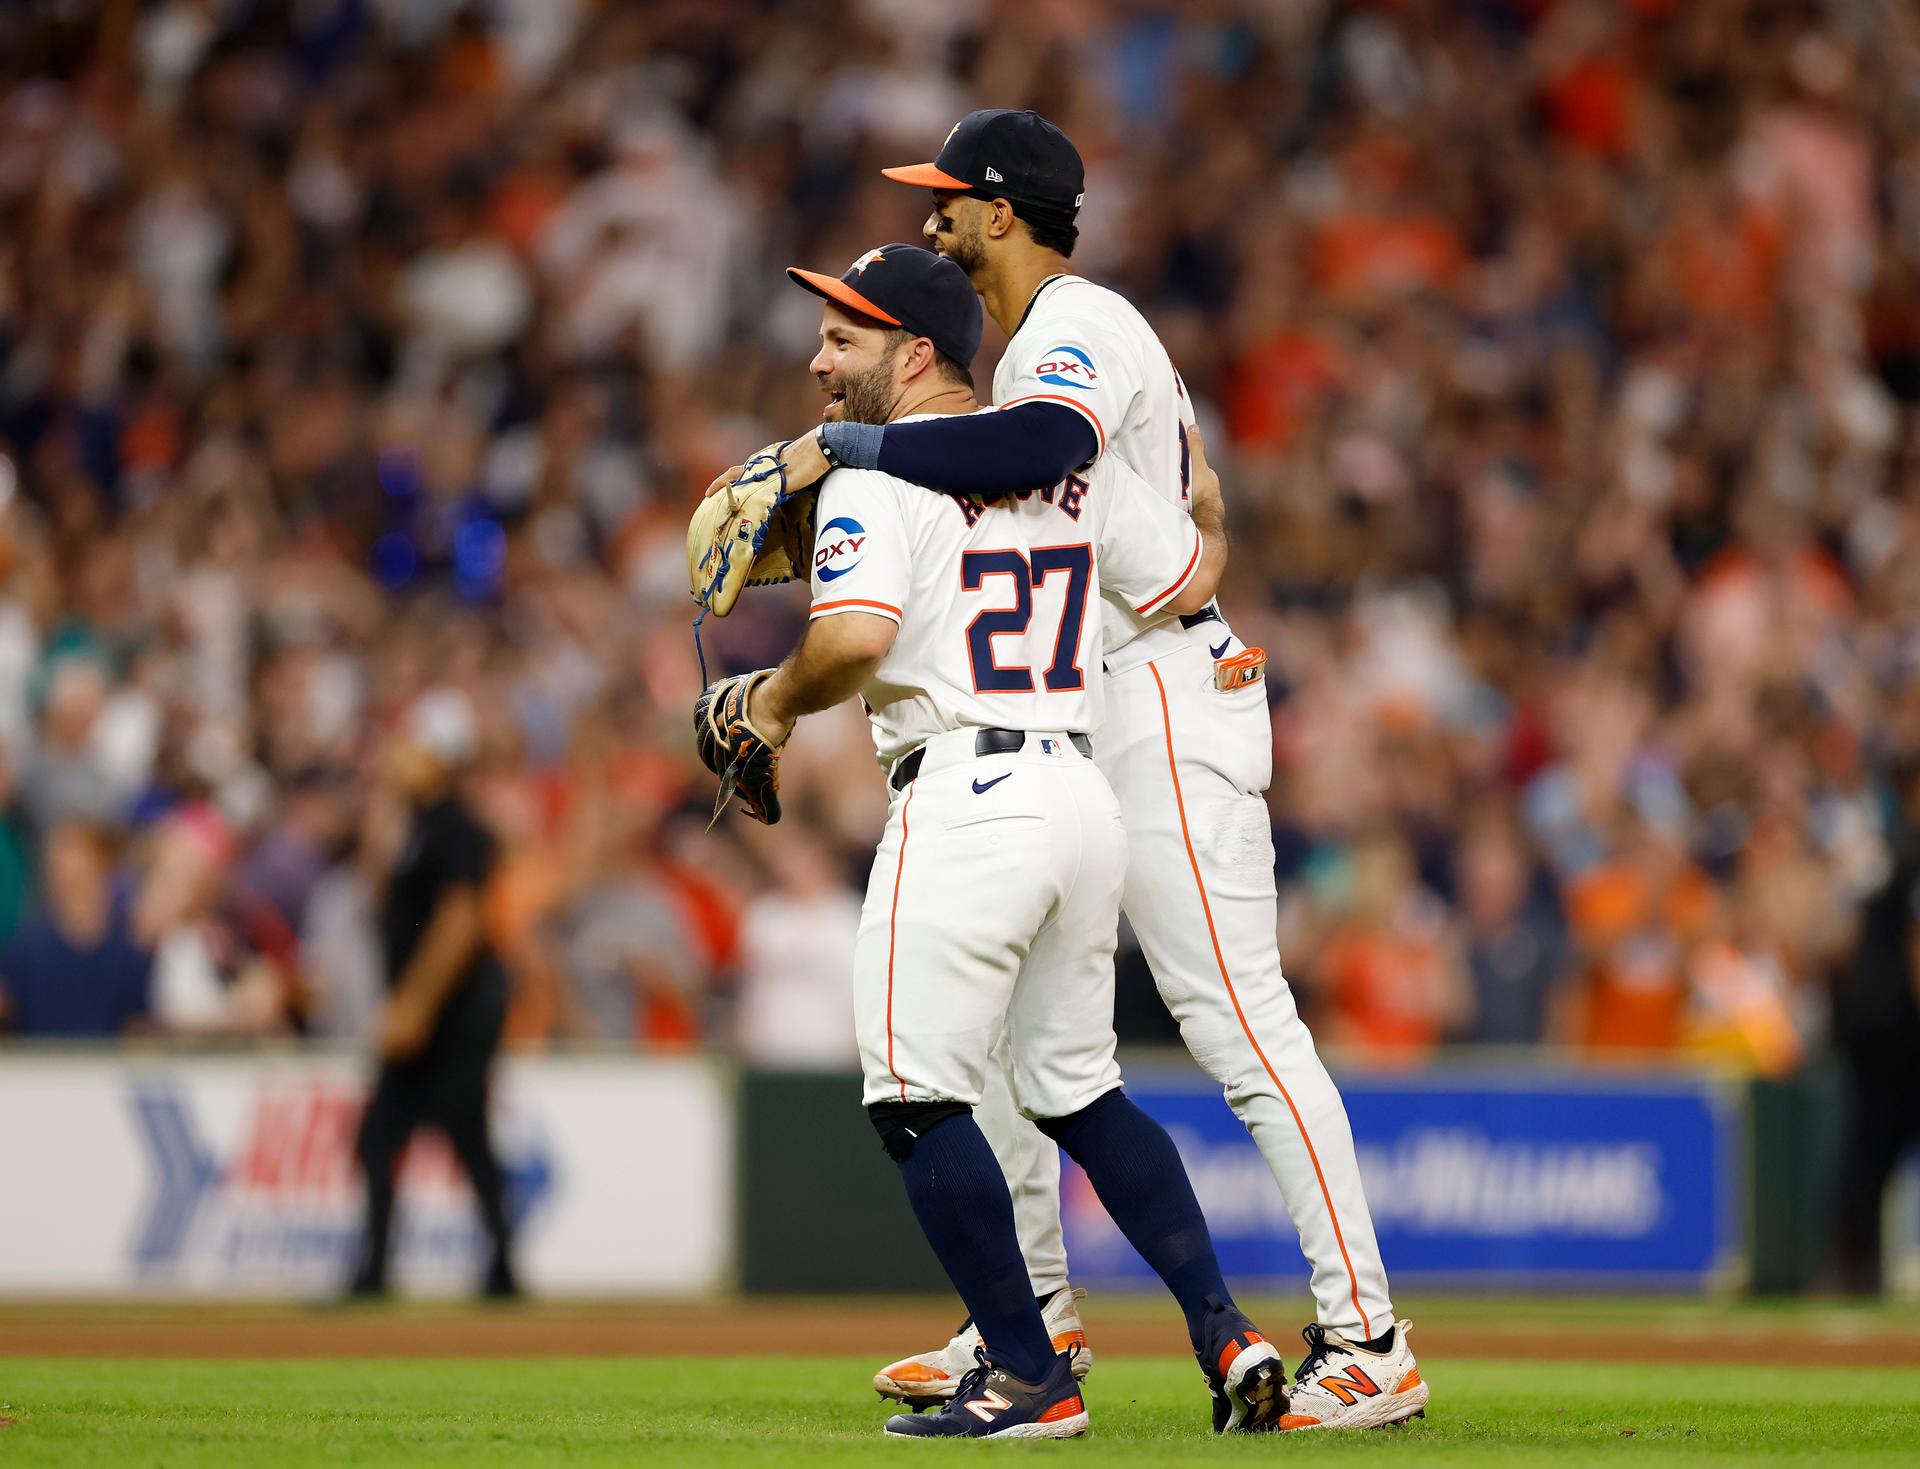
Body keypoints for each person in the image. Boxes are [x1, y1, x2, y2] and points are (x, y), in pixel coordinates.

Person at [707, 109, 1421, 1430]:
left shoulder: (1070, 327)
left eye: (947, 199)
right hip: (1086, 701)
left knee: (1236, 1021)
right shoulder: (1030, 356)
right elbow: (1127, 507)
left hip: (1157, 692)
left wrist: (843, 451)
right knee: (1026, 1047)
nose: (932, 216)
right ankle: (1028, 1326)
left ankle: (1369, 1332)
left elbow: (1050, 455)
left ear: (1001, 210)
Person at [347, 688, 518, 1300]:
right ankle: (380, 1272)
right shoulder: (417, 827)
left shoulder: (455, 828)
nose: (398, 756)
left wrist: (414, 1004)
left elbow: (460, 921)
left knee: (448, 1133)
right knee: (394, 1137)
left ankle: (496, 1270)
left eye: (412, 744)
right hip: (438, 1011)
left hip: (454, 1012)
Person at [0, 820, 151, 1037]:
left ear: (102, 863)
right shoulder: (26, 948)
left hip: (104, 1068)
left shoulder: (128, 953)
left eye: (73, 852)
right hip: (38, 1067)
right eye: (57, 855)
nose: (62, 865)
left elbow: (138, 1027)